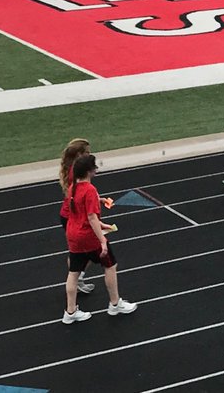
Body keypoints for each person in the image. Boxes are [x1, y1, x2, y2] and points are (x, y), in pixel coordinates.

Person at [62, 152, 136, 324]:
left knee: (73, 273)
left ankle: (70, 312)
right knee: (110, 266)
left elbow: (78, 211)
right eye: (94, 168)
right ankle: (115, 304)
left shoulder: (72, 187)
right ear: (89, 171)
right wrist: (102, 240)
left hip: (73, 234)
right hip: (88, 237)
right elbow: (91, 217)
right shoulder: (90, 190)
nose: (96, 170)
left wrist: (100, 216)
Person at [58, 138, 112, 295]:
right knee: (81, 253)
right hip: (72, 216)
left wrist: (97, 199)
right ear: (79, 154)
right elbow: (80, 195)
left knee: (82, 253)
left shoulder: (74, 169)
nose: (90, 155)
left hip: (71, 214)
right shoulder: (75, 172)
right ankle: (76, 279)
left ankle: (77, 278)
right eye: (87, 152)